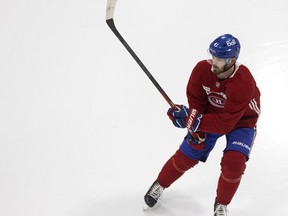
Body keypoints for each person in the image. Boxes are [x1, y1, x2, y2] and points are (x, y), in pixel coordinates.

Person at [144, 34, 261, 216]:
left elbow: (225, 123)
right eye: (213, 56)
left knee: (234, 163)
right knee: (188, 153)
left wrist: (195, 120)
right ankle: (160, 184)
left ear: (231, 61)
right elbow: (196, 100)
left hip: (242, 122)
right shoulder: (201, 69)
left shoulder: (244, 82)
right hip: (211, 115)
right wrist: (190, 121)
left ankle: (221, 204)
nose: (214, 62)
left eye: (220, 59)